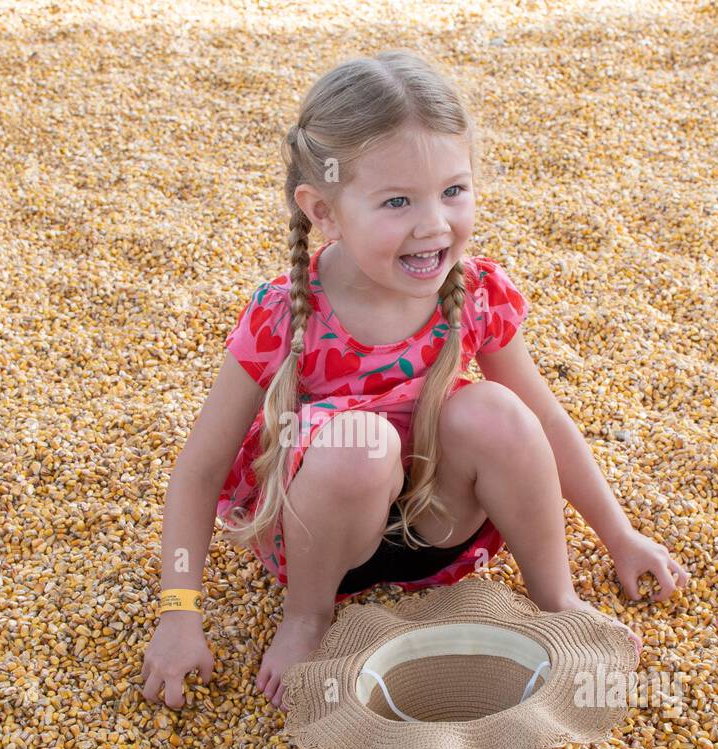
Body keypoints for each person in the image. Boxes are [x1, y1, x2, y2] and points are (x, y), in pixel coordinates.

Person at [141, 50, 689, 713]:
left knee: (498, 411)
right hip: (325, 543)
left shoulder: (474, 293)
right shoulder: (288, 313)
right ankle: (307, 619)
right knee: (359, 444)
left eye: (453, 191)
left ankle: (558, 601)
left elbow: (545, 425)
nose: (433, 224)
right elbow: (201, 467)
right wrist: (178, 611)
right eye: (398, 201)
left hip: (440, 531)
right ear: (325, 211)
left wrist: (619, 535)